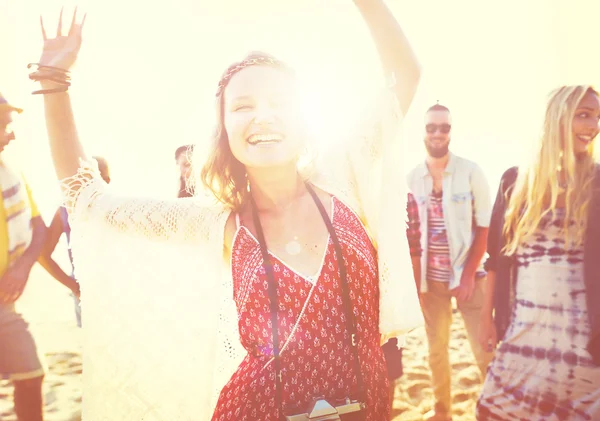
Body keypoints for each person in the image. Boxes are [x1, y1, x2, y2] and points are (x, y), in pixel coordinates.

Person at [32, 2, 423, 420]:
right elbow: (88, 200)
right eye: (243, 106)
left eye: (280, 102)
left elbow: (404, 78)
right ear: (224, 130)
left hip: (367, 404)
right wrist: (55, 81)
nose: (264, 116)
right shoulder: (217, 223)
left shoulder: (342, 175)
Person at [477, 85, 600, 420]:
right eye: (583, 114)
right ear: (557, 117)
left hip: (582, 341)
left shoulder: (597, 182)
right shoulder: (515, 182)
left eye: (597, 117)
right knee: (495, 411)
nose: (593, 126)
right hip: (523, 330)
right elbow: (497, 260)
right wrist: (489, 319)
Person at [405, 103, 493, 421]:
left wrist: (468, 276)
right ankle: (443, 409)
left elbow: (485, 227)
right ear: (423, 131)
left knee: (483, 347)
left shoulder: (472, 171)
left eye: (444, 127)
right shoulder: (411, 178)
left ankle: (494, 405)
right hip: (432, 282)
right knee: (436, 349)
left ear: (451, 131)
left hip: (471, 277)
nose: (438, 133)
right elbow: (409, 236)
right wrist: (417, 286)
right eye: (432, 127)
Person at [0, 92, 47, 421]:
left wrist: (23, 268)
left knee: (32, 375)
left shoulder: (11, 175)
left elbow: (39, 227)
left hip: (5, 302)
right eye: (4, 126)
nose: (11, 134)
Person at [38, 156, 111, 328]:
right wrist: (75, 287)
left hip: (114, 288)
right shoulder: (64, 210)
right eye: (84, 181)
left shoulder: (115, 210)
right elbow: (42, 255)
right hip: (85, 292)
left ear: (107, 181)